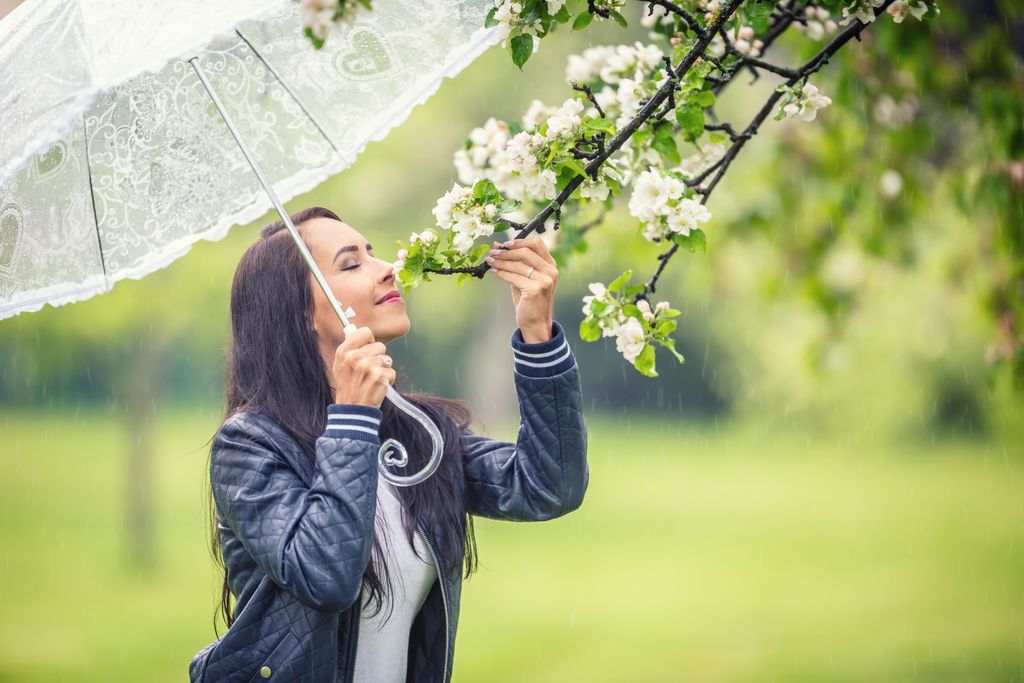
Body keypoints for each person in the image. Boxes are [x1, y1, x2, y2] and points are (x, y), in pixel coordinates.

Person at [188, 207, 589, 682]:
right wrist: (353, 416)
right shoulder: (250, 446)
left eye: (372, 253)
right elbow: (327, 577)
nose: (388, 268)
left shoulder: (418, 433)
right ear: (300, 311)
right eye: (351, 263)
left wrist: (538, 335)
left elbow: (546, 485)